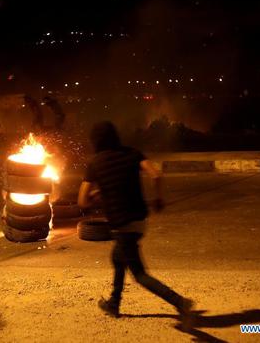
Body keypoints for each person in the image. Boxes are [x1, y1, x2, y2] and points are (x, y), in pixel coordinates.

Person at [77, 121, 194, 329]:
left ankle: (180, 302)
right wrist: (158, 200)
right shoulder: (133, 153)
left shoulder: (95, 163)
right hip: (140, 221)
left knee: (140, 275)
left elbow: (82, 202)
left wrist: (98, 193)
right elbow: (156, 175)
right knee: (117, 257)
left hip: (122, 224)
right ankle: (114, 303)